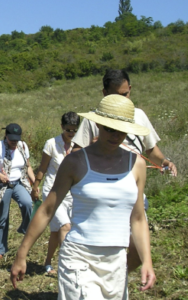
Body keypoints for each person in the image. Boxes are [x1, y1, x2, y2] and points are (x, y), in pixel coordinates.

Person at [10, 95, 156, 300]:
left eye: (122, 129)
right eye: (110, 128)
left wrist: (147, 260)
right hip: (80, 259)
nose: (116, 136)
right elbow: (48, 208)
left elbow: (138, 218)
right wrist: (22, 254)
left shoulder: (136, 165)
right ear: (98, 125)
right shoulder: (76, 162)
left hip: (115, 263)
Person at [72, 68, 178, 272]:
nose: (123, 99)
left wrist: (164, 161)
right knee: (103, 247)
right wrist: (92, 146)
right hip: (101, 192)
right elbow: (75, 153)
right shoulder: (95, 119)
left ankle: (116, 277)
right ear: (104, 93)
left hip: (131, 192)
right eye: (115, 95)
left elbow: (151, 149)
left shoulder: (138, 115)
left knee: (138, 251)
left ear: (130, 89)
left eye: (125, 94)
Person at [31, 112, 80, 275]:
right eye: (68, 130)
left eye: (74, 130)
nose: (71, 134)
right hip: (52, 192)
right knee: (65, 226)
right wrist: (36, 185)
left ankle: (47, 263)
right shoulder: (51, 144)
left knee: (55, 231)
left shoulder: (79, 145)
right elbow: (43, 167)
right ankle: (68, 266)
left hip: (71, 194)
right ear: (62, 127)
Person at [0, 123, 36, 260]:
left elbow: (28, 166)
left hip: (18, 183)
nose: (14, 142)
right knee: (2, 218)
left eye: (16, 139)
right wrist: (0, 175)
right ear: (6, 136)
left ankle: (24, 228)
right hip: (1, 185)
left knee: (28, 203)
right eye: (11, 139)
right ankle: (0, 249)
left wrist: (35, 182)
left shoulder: (23, 146)